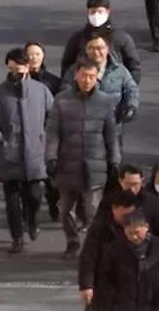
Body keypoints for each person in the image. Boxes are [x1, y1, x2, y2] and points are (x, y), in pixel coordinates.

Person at [46, 57, 121, 257]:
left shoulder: (105, 102)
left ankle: (92, 245)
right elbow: (53, 132)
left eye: (92, 76)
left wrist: (114, 160)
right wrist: (50, 157)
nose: (87, 80)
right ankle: (72, 240)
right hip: (67, 163)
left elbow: (111, 135)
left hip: (94, 164)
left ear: (97, 78)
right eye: (84, 75)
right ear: (76, 75)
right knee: (65, 209)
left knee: (93, 210)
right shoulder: (62, 100)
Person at [0, 47, 54, 254]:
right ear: (8, 67)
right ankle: (17, 237)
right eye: (13, 69)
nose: (17, 74)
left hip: (35, 153)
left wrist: (44, 135)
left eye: (20, 69)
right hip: (9, 154)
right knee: (12, 201)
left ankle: (32, 219)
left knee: (35, 195)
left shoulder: (41, 91)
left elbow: (53, 115)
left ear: (28, 68)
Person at [60, 35, 140, 163]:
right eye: (91, 48)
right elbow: (64, 92)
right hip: (84, 129)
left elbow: (131, 89)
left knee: (114, 163)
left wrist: (131, 107)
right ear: (86, 50)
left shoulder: (120, 70)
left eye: (100, 48)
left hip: (113, 127)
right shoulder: (74, 70)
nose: (96, 52)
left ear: (107, 49)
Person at [87, 210, 159, 311]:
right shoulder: (115, 248)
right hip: (124, 305)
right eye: (130, 233)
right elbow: (104, 275)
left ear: (146, 227)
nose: (134, 237)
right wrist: (113, 296)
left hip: (153, 305)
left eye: (137, 232)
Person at [78, 188, 141, 311]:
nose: (128, 219)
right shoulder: (100, 229)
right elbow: (88, 257)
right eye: (124, 215)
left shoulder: (140, 228)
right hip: (106, 284)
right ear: (114, 208)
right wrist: (86, 285)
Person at [60, 0, 142, 84]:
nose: (96, 15)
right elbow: (67, 64)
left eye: (100, 11)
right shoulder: (77, 39)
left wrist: (129, 89)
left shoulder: (121, 38)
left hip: (114, 88)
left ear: (108, 12)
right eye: (93, 12)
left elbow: (133, 65)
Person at [24, 40, 63, 222]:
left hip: (49, 133)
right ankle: (29, 210)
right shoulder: (20, 79)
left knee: (50, 174)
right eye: (30, 54)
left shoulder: (53, 81)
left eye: (37, 54)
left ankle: (53, 201)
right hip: (27, 133)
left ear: (43, 56)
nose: (34, 58)